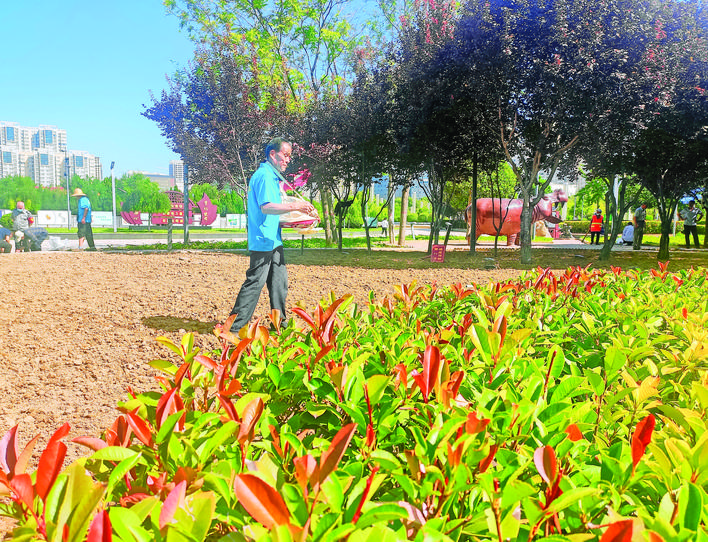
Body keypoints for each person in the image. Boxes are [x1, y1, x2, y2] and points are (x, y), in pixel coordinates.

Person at [228, 137, 317, 333]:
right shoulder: (265, 176)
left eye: (289, 156)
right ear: (272, 154)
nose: (288, 160)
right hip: (263, 240)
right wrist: (297, 206)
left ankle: (279, 325)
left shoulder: (272, 177)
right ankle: (234, 329)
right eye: (285, 155)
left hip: (273, 239)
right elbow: (267, 207)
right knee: (255, 283)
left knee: (279, 283)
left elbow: (274, 212)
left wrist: (296, 220)